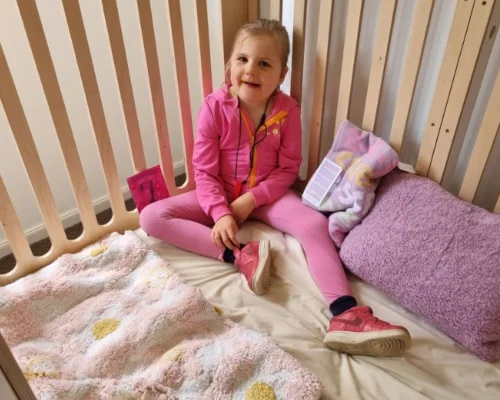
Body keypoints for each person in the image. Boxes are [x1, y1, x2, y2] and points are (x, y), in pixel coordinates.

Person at [140, 18, 411, 357]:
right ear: (230, 65)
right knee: (151, 217)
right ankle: (239, 256)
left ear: (281, 75)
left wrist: (251, 200)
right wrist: (222, 212)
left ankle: (346, 314)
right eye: (242, 59)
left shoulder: (288, 110)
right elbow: (204, 171)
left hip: (267, 196)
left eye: (263, 63)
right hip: (221, 192)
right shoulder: (214, 108)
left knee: (314, 224)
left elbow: (287, 170)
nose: (250, 70)